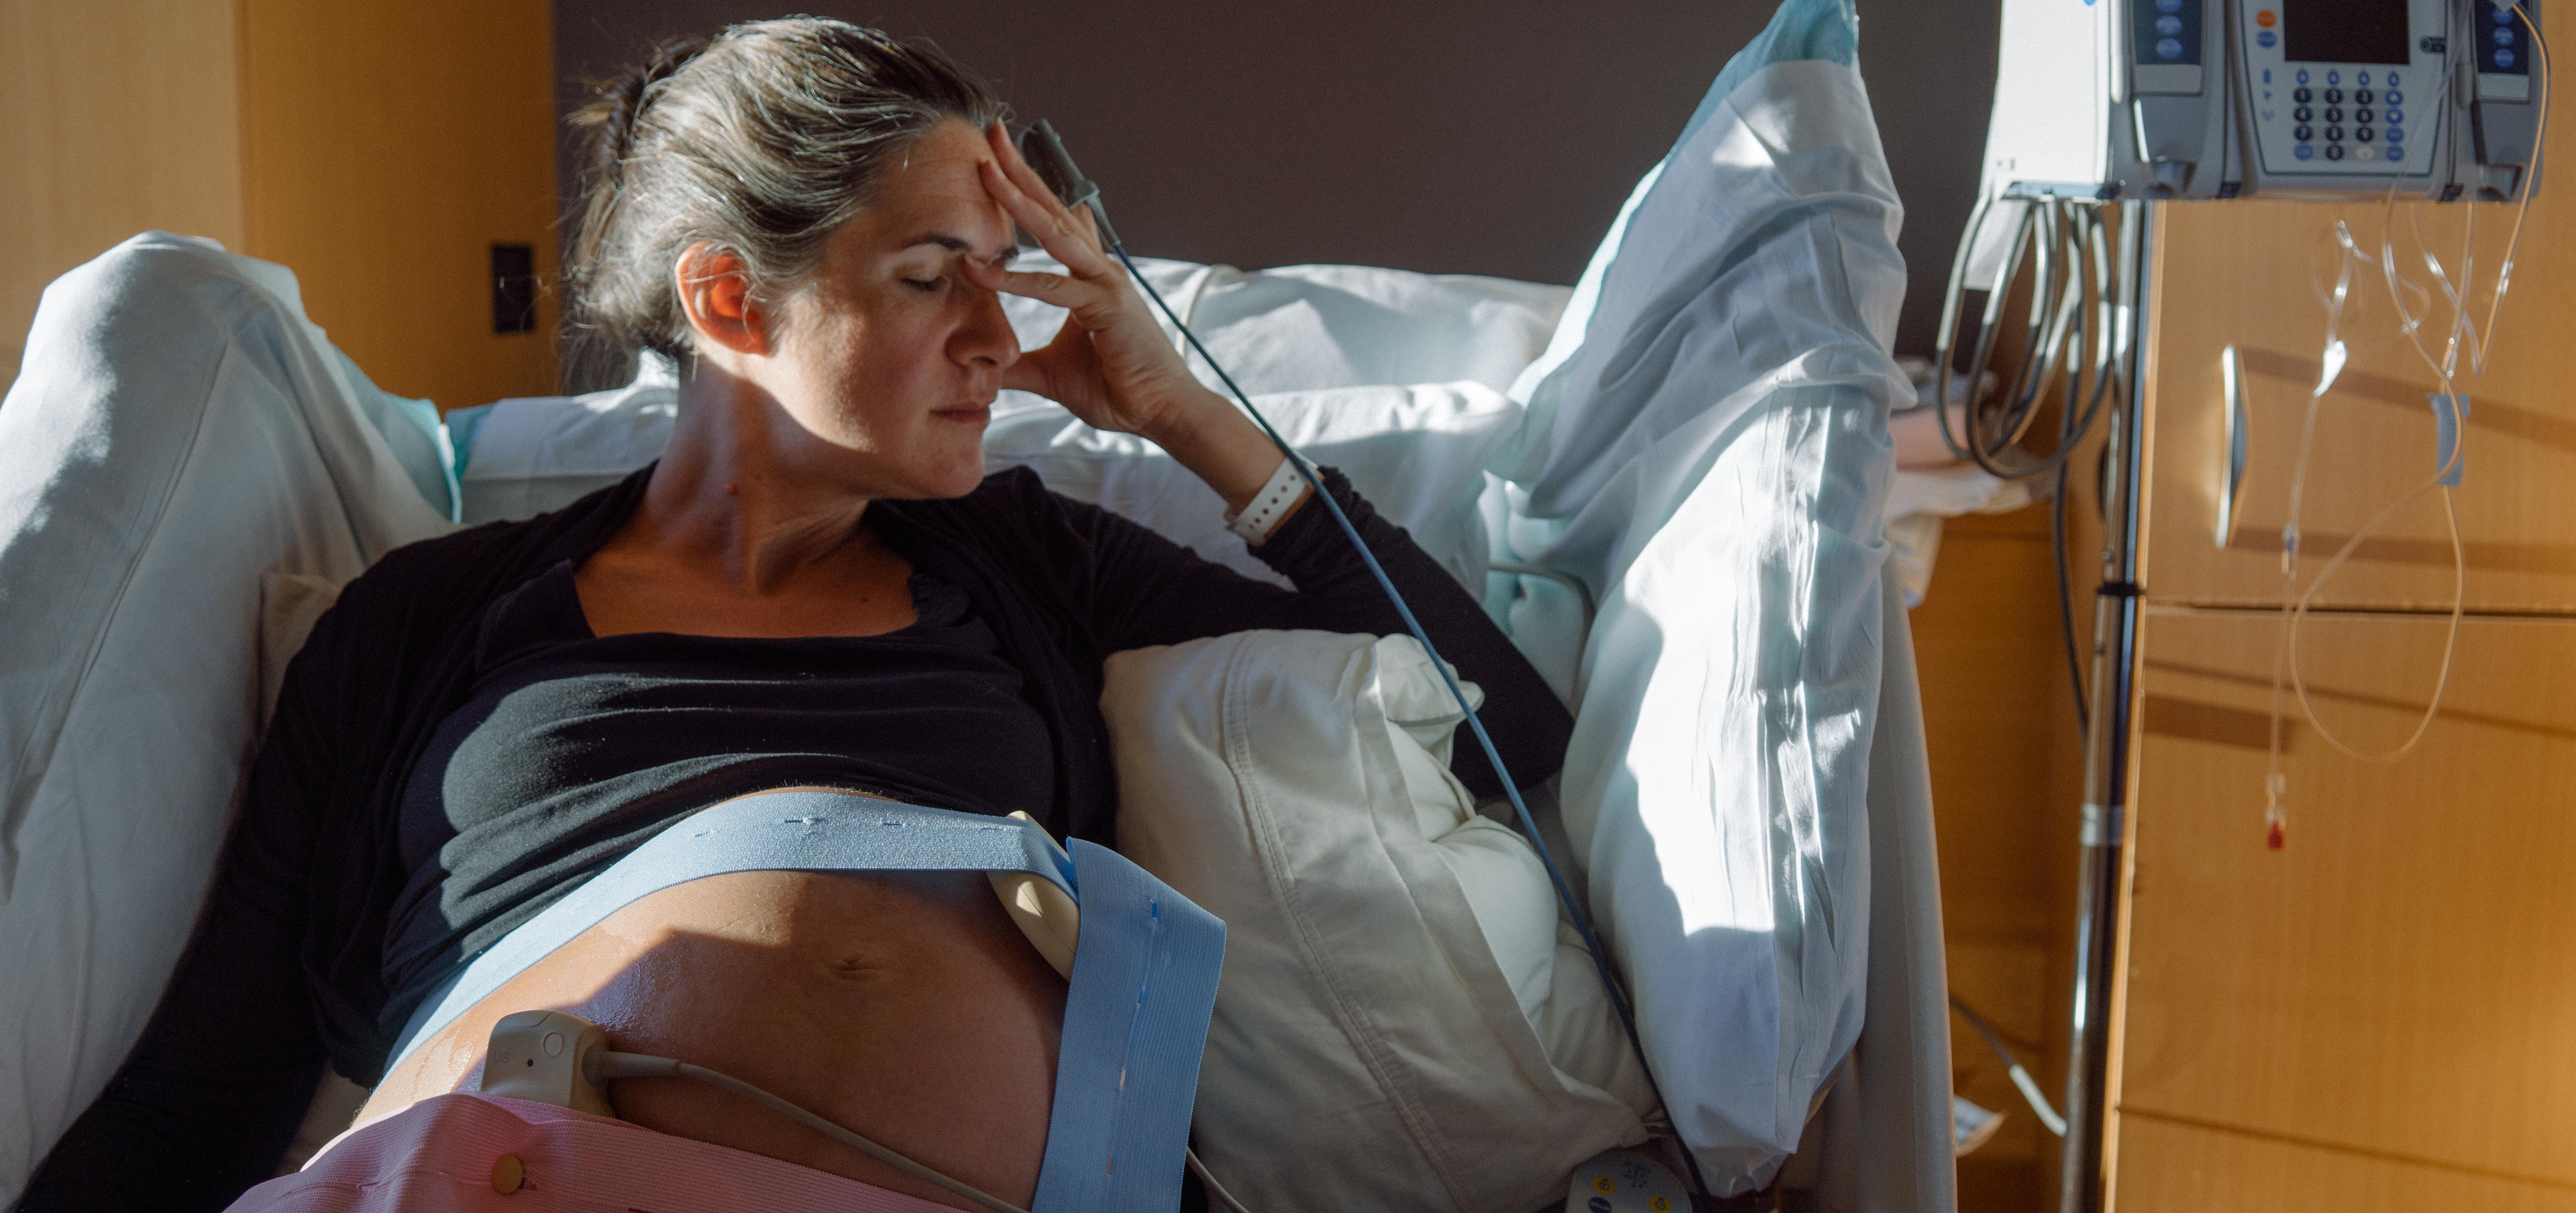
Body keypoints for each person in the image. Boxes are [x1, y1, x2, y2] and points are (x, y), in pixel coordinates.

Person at [22, 18, 1571, 1212]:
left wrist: (1188, 419)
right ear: (728, 304)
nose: (995, 331)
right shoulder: (426, 620)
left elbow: (1505, 727)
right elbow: (200, 1091)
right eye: (927, 276)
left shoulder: (1026, 563)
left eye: (1005, 274)